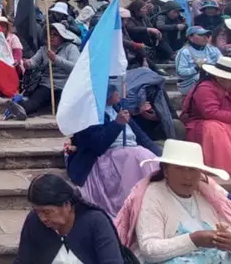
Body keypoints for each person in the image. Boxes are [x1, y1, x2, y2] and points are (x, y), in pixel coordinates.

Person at [115, 140, 231, 264]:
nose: (187, 177)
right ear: (166, 171)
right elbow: (150, 250)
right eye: (179, 169)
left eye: (192, 170)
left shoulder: (209, 194)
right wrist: (194, 240)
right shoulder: (153, 195)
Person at [67, 85, 161, 216]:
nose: (118, 93)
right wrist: (117, 124)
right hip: (105, 157)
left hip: (131, 151)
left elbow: (138, 133)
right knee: (137, 156)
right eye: (113, 90)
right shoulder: (90, 114)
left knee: (147, 158)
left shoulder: (117, 108)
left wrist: (159, 153)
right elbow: (98, 144)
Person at [15, 172, 126, 264]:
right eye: (37, 212)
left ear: (67, 205)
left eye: (47, 212)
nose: (42, 218)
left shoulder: (95, 222)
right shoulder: (34, 222)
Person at [6, 23, 80, 120]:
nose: (52, 37)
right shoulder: (44, 49)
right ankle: (19, 108)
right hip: (46, 84)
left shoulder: (71, 48)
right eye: (50, 34)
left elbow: (75, 67)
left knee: (64, 110)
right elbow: (34, 62)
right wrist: (28, 63)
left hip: (65, 85)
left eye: (55, 35)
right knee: (33, 103)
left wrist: (55, 59)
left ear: (62, 36)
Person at [174, 27, 221, 96]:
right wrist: (197, 68)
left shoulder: (214, 50)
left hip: (210, 78)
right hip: (187, 83)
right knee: (203, 76)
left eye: (207, 35)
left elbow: (223, 63)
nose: (205, 37)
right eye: (201, 35)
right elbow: (180, 72)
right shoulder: (184, 51)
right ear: (190, 37)